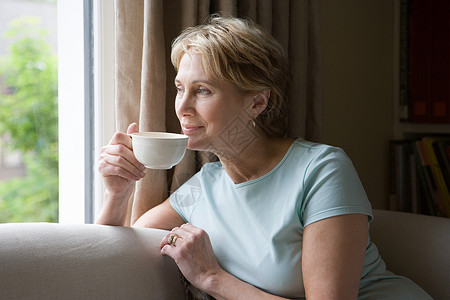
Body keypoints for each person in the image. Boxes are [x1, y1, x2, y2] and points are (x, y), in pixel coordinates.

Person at [96, 16, 432, 300]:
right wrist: (118, 190)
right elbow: (119, 253)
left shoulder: (321, 169)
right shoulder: (202, 188)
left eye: (203, 90)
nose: (182, 107)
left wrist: (212, 278)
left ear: (257, 103)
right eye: (180, 88)